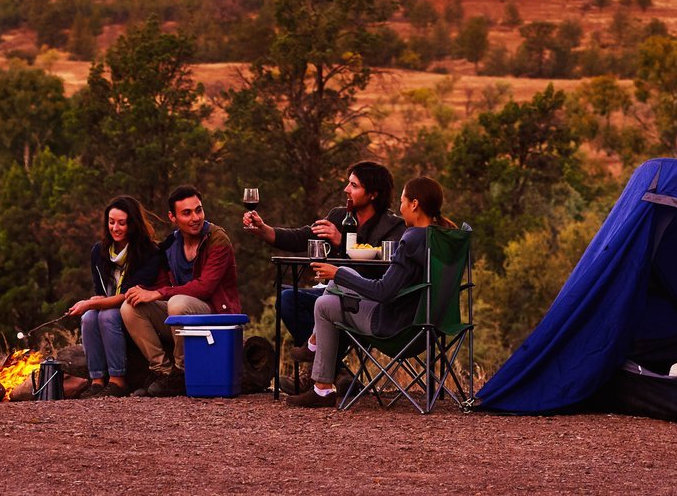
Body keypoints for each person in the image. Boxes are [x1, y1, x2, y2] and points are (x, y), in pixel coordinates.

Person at [283, 175, 457, 409]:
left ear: (414, 204)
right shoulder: (443, 238)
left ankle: (321, 384)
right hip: (429, 324)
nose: (400, 207)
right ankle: (314, 352)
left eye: (404, 201)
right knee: (340, 280)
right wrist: (341, 274)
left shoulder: (412, 239)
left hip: (396, 327)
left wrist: (336, 274)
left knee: (324, 304)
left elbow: (383, 291)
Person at [240, 160, 404, 350]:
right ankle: (332, 367)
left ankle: (323, 367)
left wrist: (341, 242)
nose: (346, 190)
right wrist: (263, 230)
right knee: (288, 299)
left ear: (374, 194)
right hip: (332, 294)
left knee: (323, 303)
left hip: (366, 303)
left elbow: (383, 273)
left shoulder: (392, 227)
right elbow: (302, 238)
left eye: (354, 185)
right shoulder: (338, 216)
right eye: (348, 183)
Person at [121, 185, 241, 396]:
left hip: (217, 316)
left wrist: (159, 294)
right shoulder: (171, 245)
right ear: (172, 217)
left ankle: (183, 372)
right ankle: (163, 372)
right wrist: (143, 291)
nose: (196, 217)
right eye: (186, 213)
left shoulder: (217, 239)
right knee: (130, 307)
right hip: (182, 316)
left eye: (199, 210)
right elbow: (161, 283)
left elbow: (205, 287)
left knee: (177, 302)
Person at [64, 196, 163, 396]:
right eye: (111, 222)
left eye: (121, 223)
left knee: (106, 315)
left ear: (133, 224)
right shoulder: (98, 252)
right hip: (107, 310)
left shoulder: (149, 252)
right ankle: (98, 380)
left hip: (133, 311)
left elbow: (129, 294)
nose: (115, 228)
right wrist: (94, 301)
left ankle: (118, 380)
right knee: (89, 317)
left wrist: (90, 304)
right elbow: (99, 290)